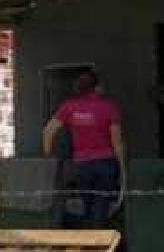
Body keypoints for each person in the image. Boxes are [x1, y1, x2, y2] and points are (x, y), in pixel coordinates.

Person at [42, 69, 127, 228]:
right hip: (106, 163)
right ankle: (98, 239)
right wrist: (122, 167)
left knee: (87, 205)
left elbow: (48, 130)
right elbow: (117, 141)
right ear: (98, 87)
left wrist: (48, 155)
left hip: (82, 164)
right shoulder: (109, 107)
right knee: (101, 206)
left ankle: (91, 239)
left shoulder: (69, 107)